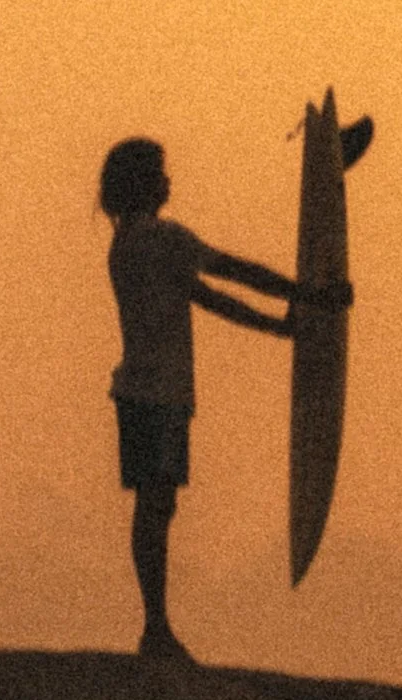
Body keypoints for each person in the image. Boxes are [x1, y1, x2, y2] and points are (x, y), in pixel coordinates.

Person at [98, 135, 349, 659]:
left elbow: (207, 298)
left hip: (142, 392)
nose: (170, 180)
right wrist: (310, 296)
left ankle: (155, 625)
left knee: (155, 507)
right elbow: (232, 271)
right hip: (159, 395)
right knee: (156, 509)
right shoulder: (162, 239)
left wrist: (279, 329)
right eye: (162, 172)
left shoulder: (124, 246)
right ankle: (156, 628)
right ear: (145, 183)